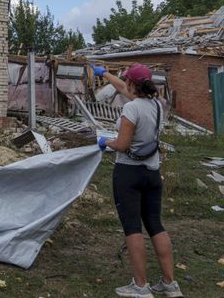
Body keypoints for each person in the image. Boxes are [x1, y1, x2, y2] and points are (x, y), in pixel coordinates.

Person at [91, 62, 182, 298]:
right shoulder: (158, 104)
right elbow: (124, 88)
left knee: (132, 228)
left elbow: (122, 145)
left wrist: (105, 141)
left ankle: (140, 287)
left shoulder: (131, 109)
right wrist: (107, 74)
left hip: (129, 174)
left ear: (133, 83)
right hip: (152, 173)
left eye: (127, 80)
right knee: (155, 225)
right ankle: (169, 284)